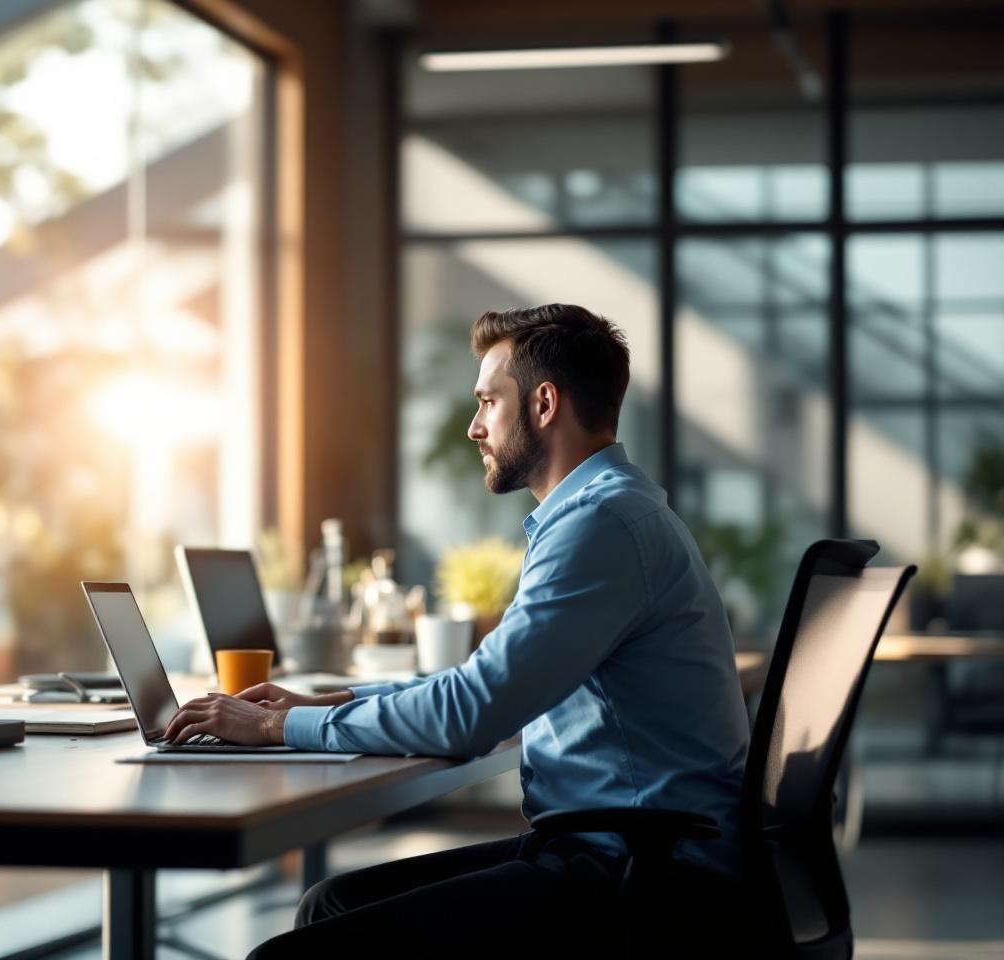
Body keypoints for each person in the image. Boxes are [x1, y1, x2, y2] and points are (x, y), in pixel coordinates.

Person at [163, 303, 751, 956]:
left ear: (544, 404)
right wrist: (337, 702)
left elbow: (472, 714)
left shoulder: (601, 526)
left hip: (646, 878)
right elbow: (486, 685)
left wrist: (276, 726)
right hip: (622, 848)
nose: (475, 427)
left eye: (487, 402)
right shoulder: (608, 512)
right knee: (330, 903)